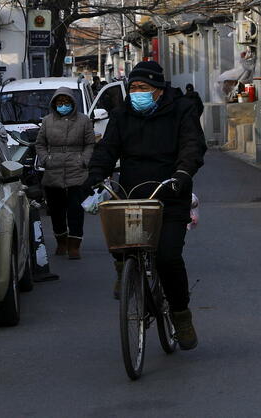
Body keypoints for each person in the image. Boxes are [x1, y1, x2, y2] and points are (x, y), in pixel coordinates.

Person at [84, 60, 206, 350]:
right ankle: (124, 270)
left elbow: (192, 145)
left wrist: (183, 174)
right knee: (120, 237)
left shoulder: (181, 110)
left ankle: (180, 314)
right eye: (134, 87)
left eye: (143, 87)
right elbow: (108, 148)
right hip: (133, 193)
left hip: (170, 192)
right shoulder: (121, 114)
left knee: (167, 257)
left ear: (159, 89)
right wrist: (96, 173)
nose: (137, 92)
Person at [35, 87, 96, 260]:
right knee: (56, 210)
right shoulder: (47, 121)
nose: (63, 105)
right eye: (60, 102)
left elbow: (90, 144)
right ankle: (61, 241)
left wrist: (83, 160)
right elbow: (40, 144)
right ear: (54, 104)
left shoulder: (83, 120)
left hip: (77, 170)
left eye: (66, 102)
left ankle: (74, 245)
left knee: (75, 210)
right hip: (53, 170)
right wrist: (45, 159)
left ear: (72, 103)